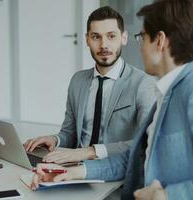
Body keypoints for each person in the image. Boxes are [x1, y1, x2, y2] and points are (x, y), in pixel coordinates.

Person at [31, 0, 193, 199]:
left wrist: (166, 196)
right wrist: (72, 172)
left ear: (160, 41)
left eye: (142, 37)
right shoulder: (167, 91)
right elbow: (136, 158)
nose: (141, 46)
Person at [24, 6, 155, 164]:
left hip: (115, 172)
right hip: (74, 167)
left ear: (124, 38)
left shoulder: (143, 83)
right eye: (95, 37)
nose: (103, 45)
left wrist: (90, 152)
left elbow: (146, 143)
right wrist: (54, 139)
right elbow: (70, 134)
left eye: (111, 36)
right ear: (87, 39)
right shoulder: (78, 81)